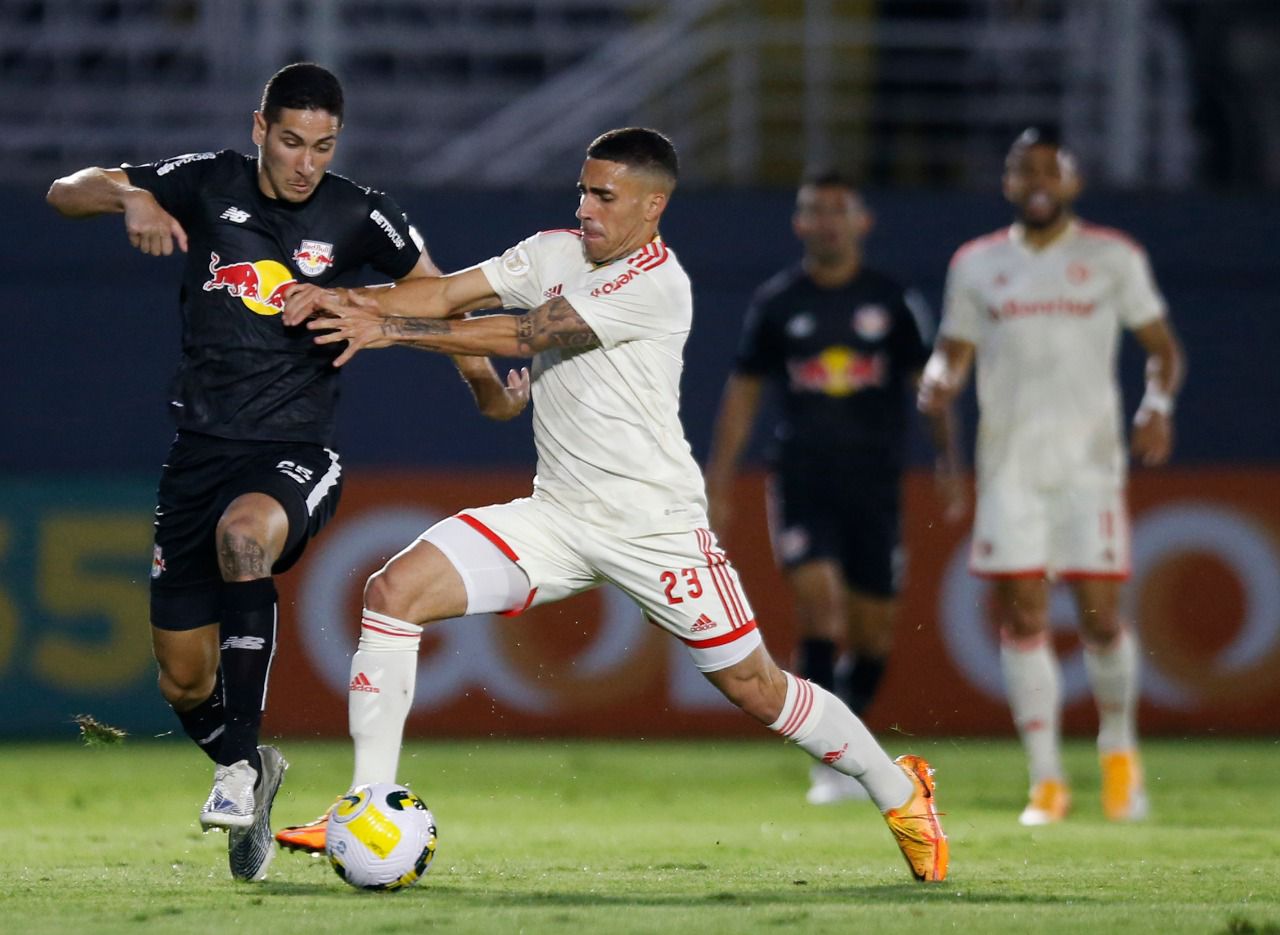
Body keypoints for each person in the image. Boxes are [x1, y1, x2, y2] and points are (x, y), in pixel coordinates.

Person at [273, 127, 948, 883]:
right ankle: (365, 802)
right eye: (583, 191)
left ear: (652, 206)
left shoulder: (658, 283)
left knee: (756, 687)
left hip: (654, 529)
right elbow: (446, 291)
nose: (586, 208)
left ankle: (900, 792)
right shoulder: (550, 251)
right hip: (556, 517)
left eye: (605, 196)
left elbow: (529, 333)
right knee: (392, 591)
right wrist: (346, 299)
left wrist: (388, 328)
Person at [45, 62, 528, 882]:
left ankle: (236, 767)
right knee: (182, 680)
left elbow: (440, 295)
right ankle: (255, 766)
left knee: (245, 537)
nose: (307, 163)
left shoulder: (361, 213)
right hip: (197, 455)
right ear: (260, 128)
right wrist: (128, 196)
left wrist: (485, 387)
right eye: (293, 141)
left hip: (295, 449)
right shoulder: (207, 182)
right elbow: (66, 189)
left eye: (323, 146)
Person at [918, 127, 1185, 826]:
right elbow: (952, 351)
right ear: (1008, 182)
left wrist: (1156, 406)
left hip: (1088, 468)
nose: (1037, 181)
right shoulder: (977, 264)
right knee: (1023, 616)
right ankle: (1046, 780)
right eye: (1023, 169)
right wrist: (938, 379)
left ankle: (1119, 751)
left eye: (1049, 169)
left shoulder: (1111, 256)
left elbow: (1162, 348)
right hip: (1009, 466)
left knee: (1101, 618)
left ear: (1072, 181)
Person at [704, 169, 964, 806]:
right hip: (802, 479)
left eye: (837, 210)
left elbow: (928, 388)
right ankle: (829, 761)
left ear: (861, 221)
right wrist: (718, 480)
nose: (825, 222)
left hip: (875, 485)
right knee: (821, 610)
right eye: (814, 211)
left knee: (874, 636)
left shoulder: (893, 301)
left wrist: (949, 459)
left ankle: (846, 732)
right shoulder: (778, 303)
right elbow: (744, 392)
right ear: (799, 223)